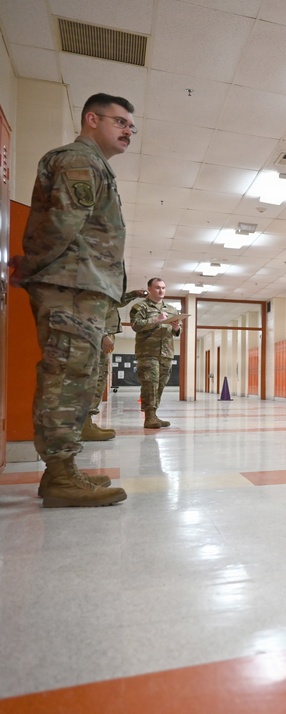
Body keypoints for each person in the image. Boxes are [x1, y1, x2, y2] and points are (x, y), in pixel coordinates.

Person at [11, 92, 136, 507]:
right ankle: (60, 474)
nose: (128, 131)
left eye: (131, 126)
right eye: (120, 122)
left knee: (76, 375)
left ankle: (63, 470)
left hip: (85, 285)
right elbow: (63, 223)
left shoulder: (94, 166)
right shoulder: (78, 160)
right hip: (71, 284)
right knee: (66, 375)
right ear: (91, 119)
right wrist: (33, 267)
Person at [82, 286, 147, 441]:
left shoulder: (105, 288)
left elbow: (114, 302)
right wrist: (102, 333)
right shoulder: (92, 283)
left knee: (100, 377)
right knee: (93, 378)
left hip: (104, 334)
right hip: (97, 335)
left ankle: (86, 422)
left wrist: (133, 294)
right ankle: (82, 426)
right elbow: (86, 308)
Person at [130, 277, 183, 429]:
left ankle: (154, 413)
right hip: (148, 352)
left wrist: (176, 328)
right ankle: (149, 416)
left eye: (163, 288)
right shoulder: (140, 307)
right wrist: (156, 320)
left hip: (166, 353)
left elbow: (178, 330)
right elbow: (136, 326)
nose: (161, 290)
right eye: (158, 287)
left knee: (160, 384)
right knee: (150, 383)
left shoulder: (172, 309)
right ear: (150, 289)